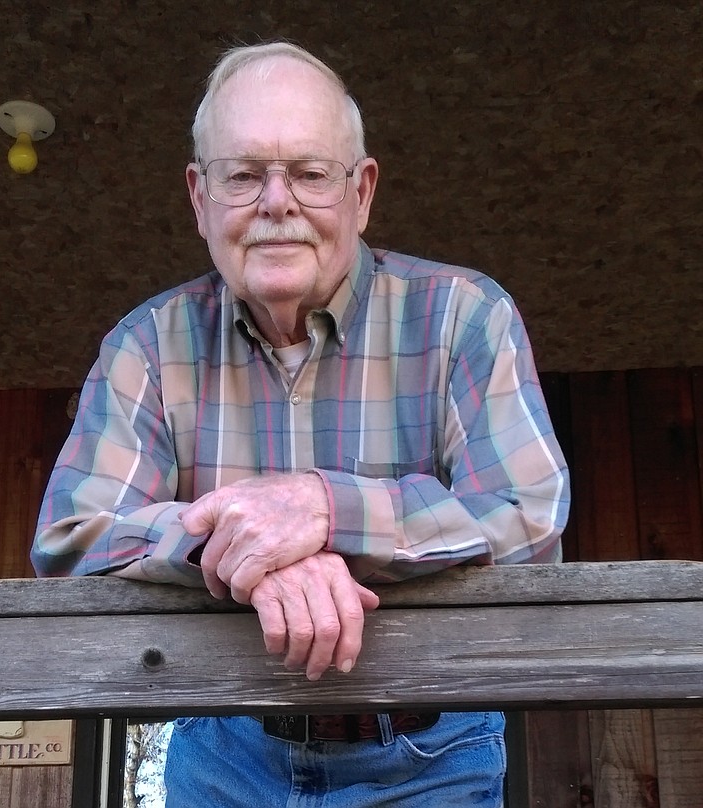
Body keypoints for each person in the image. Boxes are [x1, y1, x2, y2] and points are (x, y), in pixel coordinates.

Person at [32, 41, 569, 808]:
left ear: (362, 192)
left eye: (311, 174)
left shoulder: (463, 316)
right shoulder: (146, 345)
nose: (276, 202)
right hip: (222, 747)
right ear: (199, 197)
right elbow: (75, 535)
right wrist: (256, 550)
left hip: (430, 753)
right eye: (243, 174)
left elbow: (529, 516)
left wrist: (322, 510)